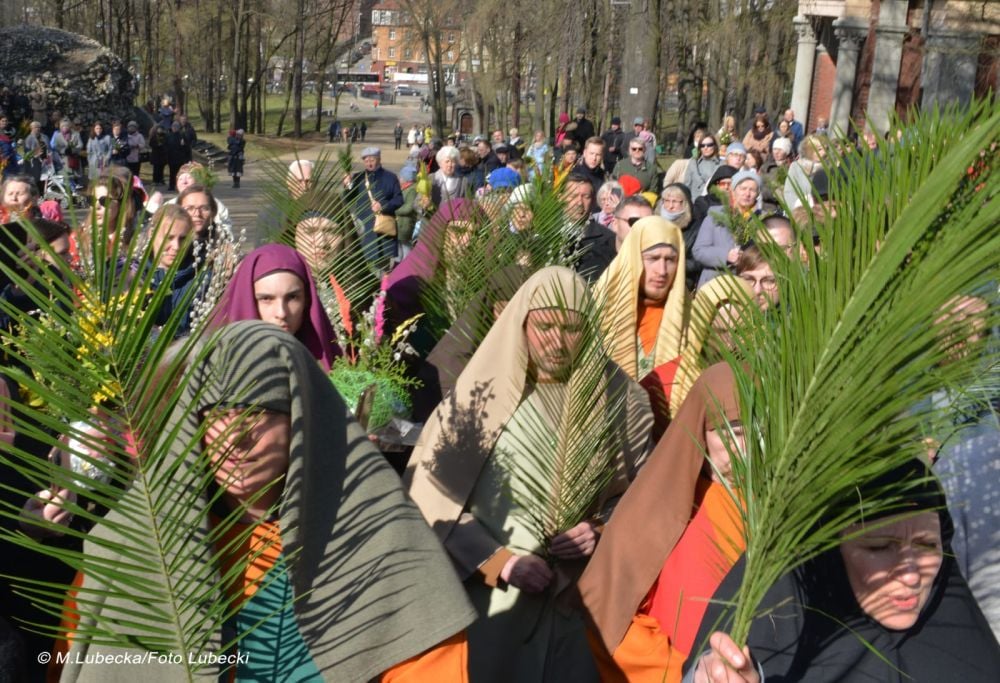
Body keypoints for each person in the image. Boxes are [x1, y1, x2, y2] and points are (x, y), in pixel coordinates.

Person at [57, 321, 477, 681]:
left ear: (302, 422)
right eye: (218, 414)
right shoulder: (132, 545)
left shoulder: (381, 539)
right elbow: (71, 658)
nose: (235, 438)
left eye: (259, 413)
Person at [405, 266, 653, 683]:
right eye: (545, 326)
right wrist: (497, 561)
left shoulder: (622, 399)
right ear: (520, 322)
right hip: (489, 601)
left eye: (572, 327)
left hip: (577, 604)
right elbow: (428, 496)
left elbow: (640, 497)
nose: (557, 341)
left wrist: (598, 530)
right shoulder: (477, 396)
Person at [685, 460, 1000, 683]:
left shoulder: (958, 630)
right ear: (828, 555)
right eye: (879, 548)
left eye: (927, 545)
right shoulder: (772, 647)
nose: (911, 576)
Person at [579, 362, 745, 683]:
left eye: (764, 429)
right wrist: (683, 673)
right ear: (700, 429)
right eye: (734, 431)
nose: (748, 446)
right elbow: (610, 621)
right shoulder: (658, 506)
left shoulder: (786, 508)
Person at [593, 216, 688, 433]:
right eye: (652, 258)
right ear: (633, 257)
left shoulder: (688, 316)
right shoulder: (601, 306)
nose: (662, 271)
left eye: (670, 259)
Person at [210, 243, 339, 371]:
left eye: (292, 297)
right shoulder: (216, 368)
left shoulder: (334, 366)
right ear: (248, 300)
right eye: (266, 299)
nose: (281, 313)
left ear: (307, 300)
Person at [693, 170, 760, 288]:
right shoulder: (715, 216)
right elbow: (699, 251)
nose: (747, 194)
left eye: (752, 190)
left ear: (757, 194)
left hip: (746, 285)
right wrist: (726, 255)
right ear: (733, 191)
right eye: (743, 189)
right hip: (714, 283)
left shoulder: (762, 220)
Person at [343, 146, 404, 271]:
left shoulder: (390, 177)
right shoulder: (358, 177)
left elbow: (399, 200)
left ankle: (384, 289)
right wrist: (347, 185)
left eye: (372, 160)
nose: (369, 163)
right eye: (366, 160)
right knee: (362, 266)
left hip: (384, 230)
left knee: (385, 267)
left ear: (379, 159)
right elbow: (348, 199)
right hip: (365, 229)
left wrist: (384, 206)